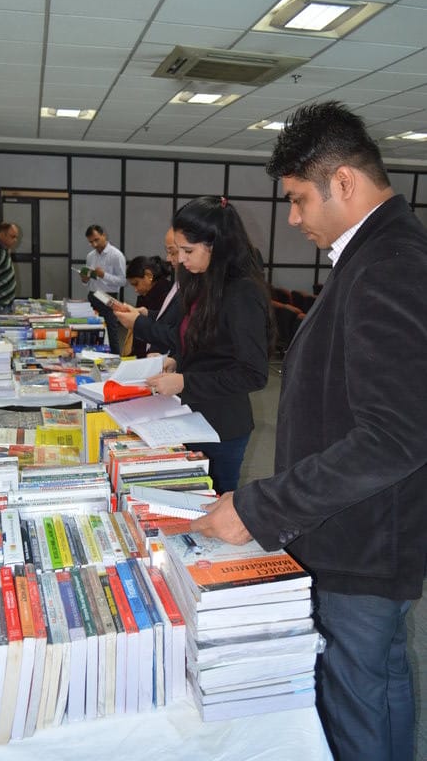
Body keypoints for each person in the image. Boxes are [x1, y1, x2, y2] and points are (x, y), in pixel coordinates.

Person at [192, 102, 427, 761]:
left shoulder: (391, 263)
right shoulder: (374, 254)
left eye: (298, 199)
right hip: (351, 528)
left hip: (363, 542)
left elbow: (396, 435)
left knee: (359, 704)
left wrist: (262, 507)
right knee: (375, 686)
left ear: (343, 182)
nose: (293, 219)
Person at [146, 195, 271, 493]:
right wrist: (176, 359)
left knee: (214, 501)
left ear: (216, 245)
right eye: (179, 250)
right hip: (189, 415)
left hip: (221, 426)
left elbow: (253, 374)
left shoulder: (242, 293)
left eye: (188, 250)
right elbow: (203, 341)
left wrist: (184, 381)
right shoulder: (201, 280)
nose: (181, 259)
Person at [114, 227, 181, 356]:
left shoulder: (164, 292)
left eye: (173, 252)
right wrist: (146, 313)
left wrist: (137, 321)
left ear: (149, 276)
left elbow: (170, 330)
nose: (168, 258)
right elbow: (166, 319)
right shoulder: (152, 293)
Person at [81, 224, 126, 354]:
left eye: (96, 240)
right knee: (92, 331)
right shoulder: (90, 256)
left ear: (104, 235)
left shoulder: (116, 255)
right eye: (91, 242)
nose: (94, 244)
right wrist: (85, 279)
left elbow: (122, 281)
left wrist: (104, 275)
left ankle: (115, 359)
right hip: (93, 295)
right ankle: (93, 357)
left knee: (111, 332)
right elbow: (88, 280)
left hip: (108, 297)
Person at [120, 255, 172, 357]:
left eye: (136, 284)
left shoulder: (165, 294)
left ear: (149, 275)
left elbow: (160, 331)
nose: (136, 290)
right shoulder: (147, 294)